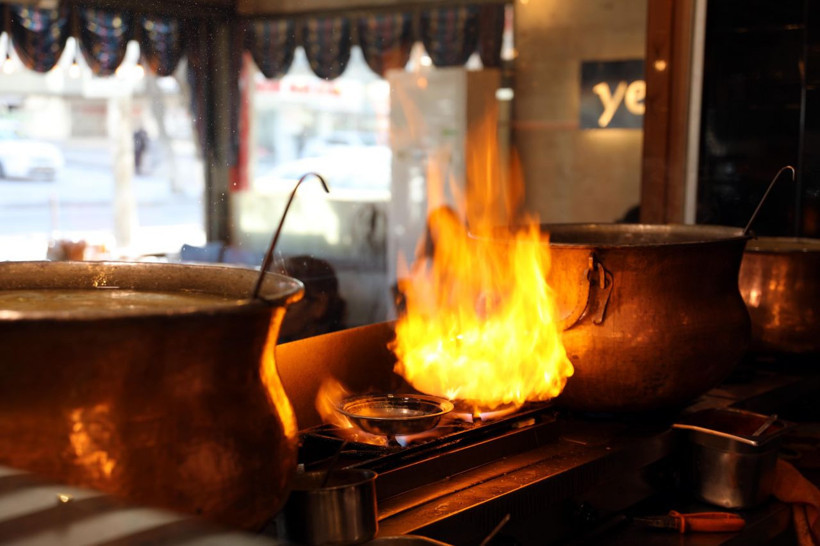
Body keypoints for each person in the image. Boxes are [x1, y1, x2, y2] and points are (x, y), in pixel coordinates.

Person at [276, 255, 347, 343]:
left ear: (319, 305)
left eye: (286, 298)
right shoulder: (281, 342)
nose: (272, 307)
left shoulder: (339, 348)